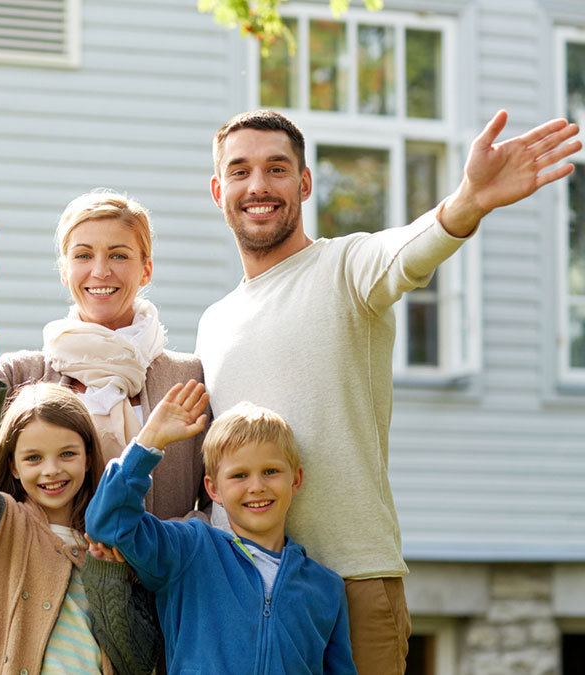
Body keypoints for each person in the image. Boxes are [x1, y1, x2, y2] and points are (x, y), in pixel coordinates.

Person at [194, 109, 581, 674]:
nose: (258, 186)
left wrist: (468, 202)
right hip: (244, 595)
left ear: (304, 183)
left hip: (350, 581)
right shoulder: (214, 321)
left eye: (276, 169)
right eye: (240, 171)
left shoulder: (347, 267)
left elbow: (409, 250)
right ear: (218, 190)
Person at [0, 192, 210, 523]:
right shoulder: (20, 376)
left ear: (146, 270)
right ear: (63, 270)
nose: (100, 271)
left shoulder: (188, 379)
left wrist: (162, 546)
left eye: (118, 255)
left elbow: (220, 499)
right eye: (83, 255)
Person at [0, 298, 160, 674]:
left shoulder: (113, 539)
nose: (51, 471)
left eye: (67, 454)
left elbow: (136, 659)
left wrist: (108, 575)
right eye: (34, 458)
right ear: (13, 466)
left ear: (88, 457)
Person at [86, 400, 355, 674]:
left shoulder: (326, 588)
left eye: (270, 471)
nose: (256, 486)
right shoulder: (190, 551)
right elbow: (107, 524)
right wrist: (149, 442)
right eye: (239, 475)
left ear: (295, 480)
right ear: (213, 489)